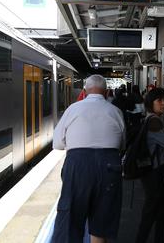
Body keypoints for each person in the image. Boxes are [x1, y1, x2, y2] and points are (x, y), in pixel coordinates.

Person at [52, 75, 126, 243]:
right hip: (110, 166)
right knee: (102, 221)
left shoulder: (73, 109)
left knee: (71, 218)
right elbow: (122, 144)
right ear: (107, 92)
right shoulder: (115, 111)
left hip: (78, 165)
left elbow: (57, 144)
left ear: (84, 91)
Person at [135, 88, 164, 243]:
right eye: (159, 100)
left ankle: (158, 238)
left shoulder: (149, 118)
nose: (163, 103)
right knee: (151, 209)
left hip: (151, 170)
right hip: (153, 172)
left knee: (163, 206)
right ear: (151, 103)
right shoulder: (154, 121)